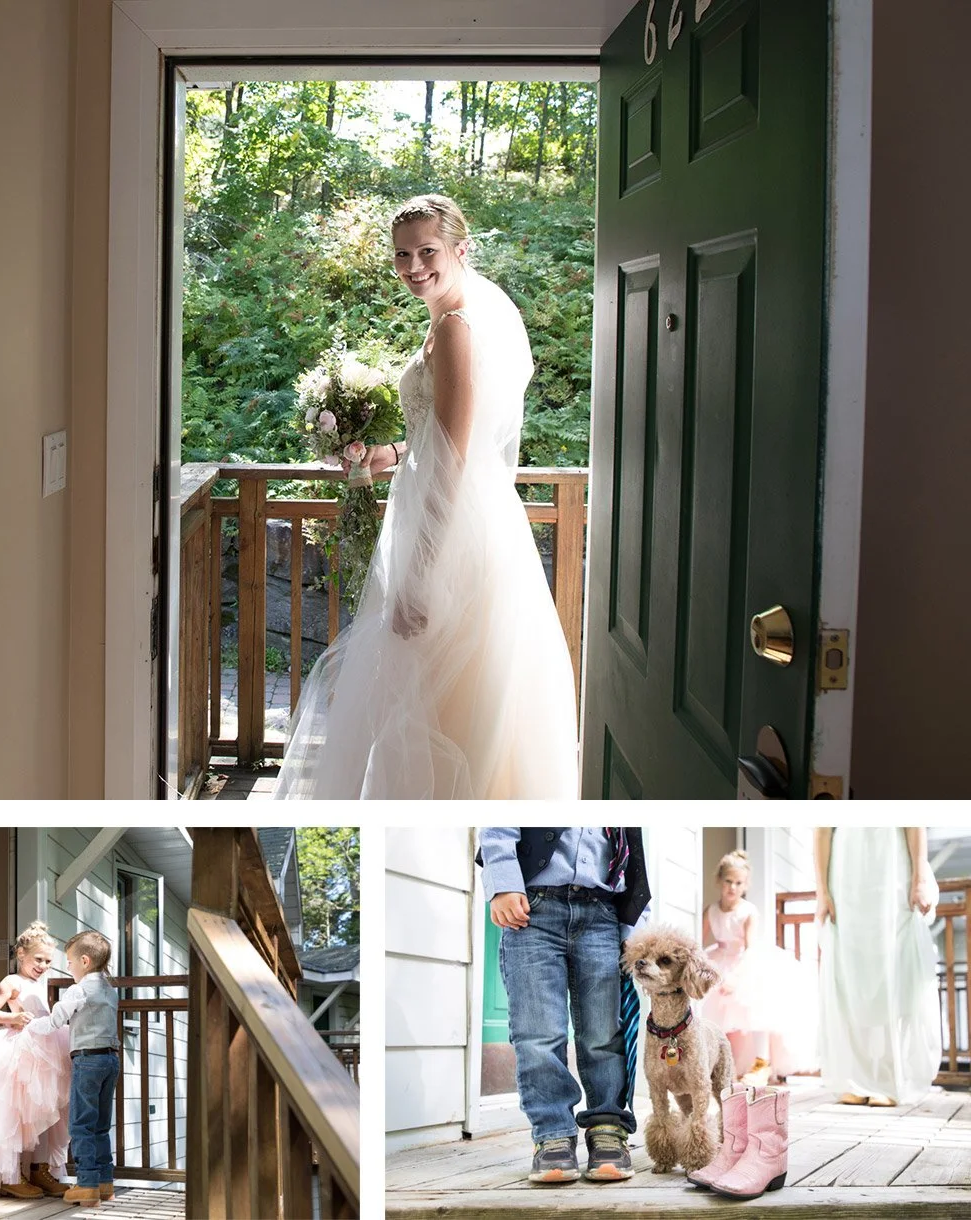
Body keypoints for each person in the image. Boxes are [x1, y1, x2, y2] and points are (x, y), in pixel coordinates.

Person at [273, 194, 578, 799]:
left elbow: (453, 464)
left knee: (446, 699)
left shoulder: (460, 328)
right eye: (402, 255)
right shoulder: (456, 317)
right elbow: (437, 441)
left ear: (461, 249)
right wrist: (383, 456)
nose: (413, 267)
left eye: (427, 252)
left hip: (454, 536)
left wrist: (419, 576)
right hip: (468, 516)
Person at [477, 827, 650, 1185]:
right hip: (532, 910)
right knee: (538, 1033)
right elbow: (500, 817)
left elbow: (634, 852)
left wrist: (636, 925)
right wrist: (503, 881)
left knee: (604, 1032)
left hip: (603, 912)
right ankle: (553, 1133)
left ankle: (607, 1127)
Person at [814, 827, 941, 1107]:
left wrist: (919, 876)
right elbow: (822, 830)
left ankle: (889, 1079)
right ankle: (854, 1079)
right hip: (845, 868)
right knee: (850, 971)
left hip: (891, 863)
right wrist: (822, 892)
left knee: (892, 967)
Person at [0, 921, 71, 1198]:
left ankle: (40, 1169)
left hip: (46, 1053)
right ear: (21, 954)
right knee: (14, 1113)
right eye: (38, 959)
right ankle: (10, 1174)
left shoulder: (40, 982)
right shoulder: (12, 981)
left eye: (48, 961)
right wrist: (12, 1018)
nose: (43, 965)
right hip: (21, 1053)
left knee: (47, 1111)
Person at [698, 849, 816, 1085]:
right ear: (719, 881)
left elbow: (749, 948)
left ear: (745, 885)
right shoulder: (711, 911)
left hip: (744, 961)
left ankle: (761, 1062)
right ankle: (721, 1063)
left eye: (738, 883)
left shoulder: (747, 911)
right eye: (728, 881)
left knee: (752, 1008)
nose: (732, 887)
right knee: (714, 1012)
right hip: (718, 959)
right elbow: (699, 944)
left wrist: (736, 977)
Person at [27, 929, 121, 1207]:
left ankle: (87, 1185)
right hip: (110, 1060)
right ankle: (105, 1182)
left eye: (68, 962)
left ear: (84, 961)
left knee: (81, 1123)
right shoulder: (108, 989)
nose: (66, 967)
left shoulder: (79, 990)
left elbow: (55, 1022)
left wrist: (28, 1024)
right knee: (101, 1125)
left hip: (88, 1060)